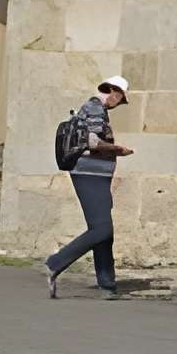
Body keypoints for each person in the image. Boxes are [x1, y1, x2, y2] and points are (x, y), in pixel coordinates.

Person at [44, 75, 134, 298]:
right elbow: (93, 141)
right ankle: (55, 263)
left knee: (104, 232)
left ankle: (107, 285)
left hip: (96, 175)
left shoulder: (97, 110)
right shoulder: (94, 108)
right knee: (102, 229)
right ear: (113, 90)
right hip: (89, 174)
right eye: (120, 98)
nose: (118, 104)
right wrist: (117, 149)